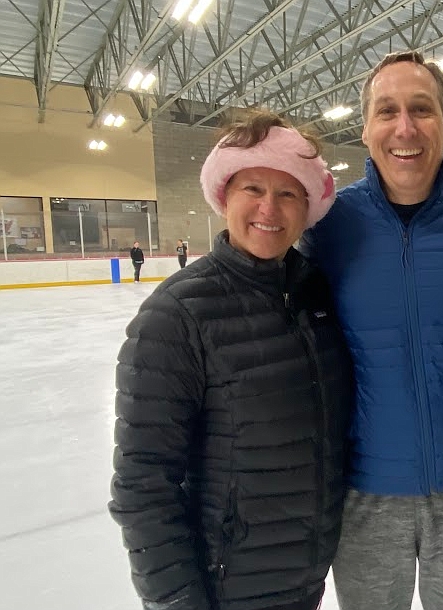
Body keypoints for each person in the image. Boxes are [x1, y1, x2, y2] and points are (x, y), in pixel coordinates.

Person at [109, 111, 354, 610]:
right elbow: (143, 483)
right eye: (253, 188)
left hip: (303, 581)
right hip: (223, 588)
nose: (270, 208)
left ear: (307, 208)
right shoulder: (176, 314)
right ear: (224, 196)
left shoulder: (317, 295)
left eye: (288, 193)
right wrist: (177, 600)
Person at [299, 51, 443, 610]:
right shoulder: (328, 224)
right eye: (386, 111)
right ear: (365, 128)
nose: (405, 127)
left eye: (422, 109)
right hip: (364, 492)